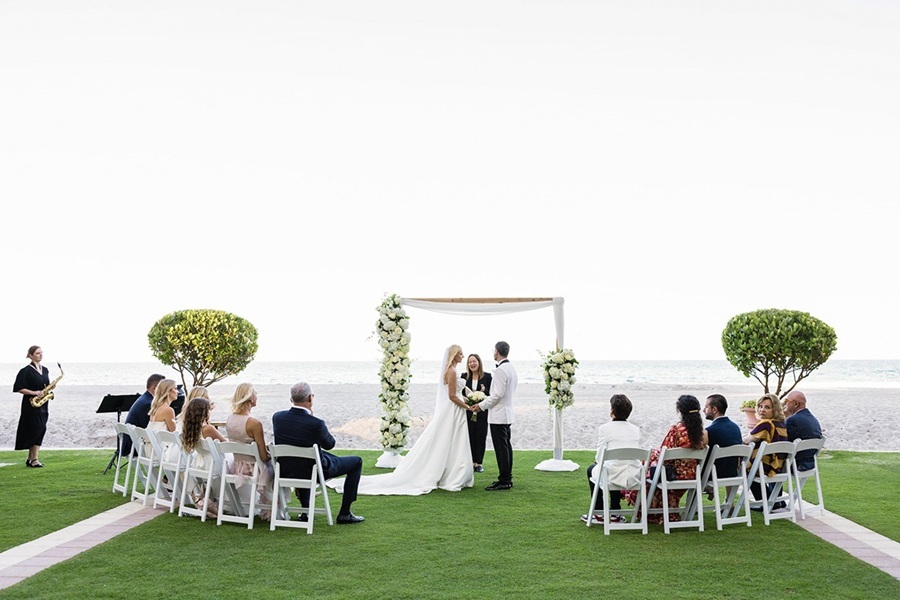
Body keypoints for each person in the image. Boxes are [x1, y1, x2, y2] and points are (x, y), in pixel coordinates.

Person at [330, 345, 474, 496]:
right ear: (454, 355)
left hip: (456, 410)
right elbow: (452, 396)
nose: (462, 356)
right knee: (448, 439)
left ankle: (453, 471)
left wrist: (469, 400)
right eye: (460, 354)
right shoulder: (451, 371)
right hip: (453, 410)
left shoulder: (453, 371)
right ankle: (450, 474)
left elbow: (457, 393)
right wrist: (466, 406)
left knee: (454, 440)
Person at [272, 382, 365, 524]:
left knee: (304, 461)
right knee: (356, 462)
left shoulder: (277, 417)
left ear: (291, 399)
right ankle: (345, 513)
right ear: (310, 398)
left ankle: (305, 513)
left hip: (286, 470)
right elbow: (330, 444)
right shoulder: (316, 423)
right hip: (313, 470)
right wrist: (313, 420)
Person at [623, 394, 708, 524]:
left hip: (673, 475)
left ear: (680, 411)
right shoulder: (701, 433)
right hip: (692, 476)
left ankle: (646, 509)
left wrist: (651, 457)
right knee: (650, 467)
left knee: (646, 469)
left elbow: (665, 455)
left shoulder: (676, 430)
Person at [581, 394, 641, 525]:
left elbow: (599, 456)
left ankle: (598, 511)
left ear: (612, 411)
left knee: (593, 469)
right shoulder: (636, 430)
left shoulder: (604, 429)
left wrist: (598, 462)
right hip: (633, 475)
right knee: (614, 467)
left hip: (612, 474)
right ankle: (615, 511)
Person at [471, 341, 517, 491]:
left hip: (499, 415)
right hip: (507, 413)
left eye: (494, 351)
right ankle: (506, 478)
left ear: (497, 351)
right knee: (506, 447)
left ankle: (504, 480)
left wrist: (480, 406)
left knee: (501, 448)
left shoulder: (501, 370)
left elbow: (496, 395)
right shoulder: (511, 368)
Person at [225, 383, 274, 520]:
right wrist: (271, 454)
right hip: (254, 469)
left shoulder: (230, 419)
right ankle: (272, 511)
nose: (257, 396)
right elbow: (263, 457)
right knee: (277, 469)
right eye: (256, 393)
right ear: (251, 398)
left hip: (237, 466)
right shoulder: (254, 423)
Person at [180, 398, 226, 516]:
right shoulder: (207, 429)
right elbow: (225, 443)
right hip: (213, 463)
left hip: (200, 463)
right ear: (205, 412)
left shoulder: (191, 428)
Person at [742, 392, 789, 506]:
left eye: (767, 407)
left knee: (745, 469)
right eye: (760, 406)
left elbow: (747, 440)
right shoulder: (781, 424)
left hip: (766, 466)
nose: (762, 410)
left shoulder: (766, 424)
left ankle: (765, 503)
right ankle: (777, 500)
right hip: (779, 465)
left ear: (775, 409)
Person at [13, 345, 51, 468]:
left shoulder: (45, 369)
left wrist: (50, 388)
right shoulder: (25, 371)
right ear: (30, 355)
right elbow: (18, 388)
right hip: (30, 404)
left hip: (43, 404)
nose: (41, 355)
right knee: (35, 429)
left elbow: (46, 385)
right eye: (38, 353)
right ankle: (34, 459)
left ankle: (30, 459)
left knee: (41, 429)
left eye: (41, 353)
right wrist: (34, 392)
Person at [121, 373, 165, 456]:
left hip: (133, 442)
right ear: (155, 388)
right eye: (163, 387)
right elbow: (149, 427)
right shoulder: (148, 403)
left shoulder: (145, 398)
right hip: (135, 446)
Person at [462, 353, 492, 473]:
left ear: (479, 362)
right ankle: (470, 462)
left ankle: (478, 463)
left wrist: (482, 394)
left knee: (480, 437)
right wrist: (467, 402)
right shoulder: (464, 376)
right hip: (468, 411)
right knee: (469, 436)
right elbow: (461, 393)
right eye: (470, 362)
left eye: (474, 361)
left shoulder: (488, 377)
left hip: (482, 412)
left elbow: (492, 395)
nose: (472, 364)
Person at [703, 394, 743, 479]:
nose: (703, 410)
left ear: (714, 409)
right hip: (733, 473)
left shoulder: (709, 431)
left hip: (713, 474)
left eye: (706, 407)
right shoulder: (736, 428)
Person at [783, 390, 823, 472]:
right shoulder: (813, 419)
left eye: (786, 401)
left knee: (759, 465)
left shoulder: (792, 421)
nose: (784, 404)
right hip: (809, 464)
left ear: (796, 404)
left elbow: (784, 443)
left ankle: (768, 485)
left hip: (794, 465)